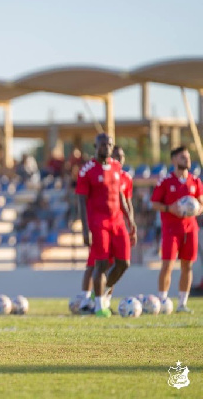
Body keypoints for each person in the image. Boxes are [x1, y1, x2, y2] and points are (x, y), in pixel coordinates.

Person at [76, 134, 136, 317]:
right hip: (98, 221)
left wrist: (129, 219)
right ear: (96, 145)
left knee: (124, 263)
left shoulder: (117, 167)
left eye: (109, 144)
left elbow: (121, 196)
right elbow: (80, 201)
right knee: (100, 264)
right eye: (103, 144)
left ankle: (101, 292)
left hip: (117, 221)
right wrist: (85, 230)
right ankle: (100, 305)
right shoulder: (87, 170)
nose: (106, 147)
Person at [149, 146, 203, 313]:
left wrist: (195, 208)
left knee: (187, 266)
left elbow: (201, 204)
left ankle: (182, 303)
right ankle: (163, 300)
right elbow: (155, 203)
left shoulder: (195, 181)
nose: (186, 159)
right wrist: (169, 208)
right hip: (171, 230)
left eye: (187, 157)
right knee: (168, 265)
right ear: (174, 160)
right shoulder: (165, 181)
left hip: (190, 229)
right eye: (182, 157)